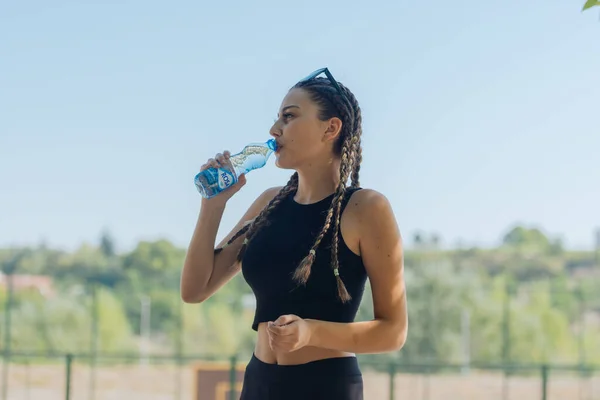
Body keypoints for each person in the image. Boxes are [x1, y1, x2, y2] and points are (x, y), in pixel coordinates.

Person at [181, 67, 407, 400]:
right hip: (258, 382)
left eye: (289, 117)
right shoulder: (268, 203)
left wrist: (311, 332)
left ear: (330, 128)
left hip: (325, 387)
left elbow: (393, 332)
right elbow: (195, 289)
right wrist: (212, 206)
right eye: (278, 118)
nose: (275, 129)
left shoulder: (366, 208)